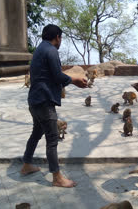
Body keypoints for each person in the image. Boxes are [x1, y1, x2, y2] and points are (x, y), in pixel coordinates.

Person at [20, 24, 88, 188]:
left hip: (34, 101)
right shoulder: (51, 50)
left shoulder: (39, 50)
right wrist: (75, 80)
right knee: (52, 139)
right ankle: (57, 177)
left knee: (36, 133)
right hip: (44, 102)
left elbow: (50, 75)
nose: (61, 41)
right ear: (57, 37)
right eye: (61, 38)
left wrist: (70, 78)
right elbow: (57, 76)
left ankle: (26, 165)